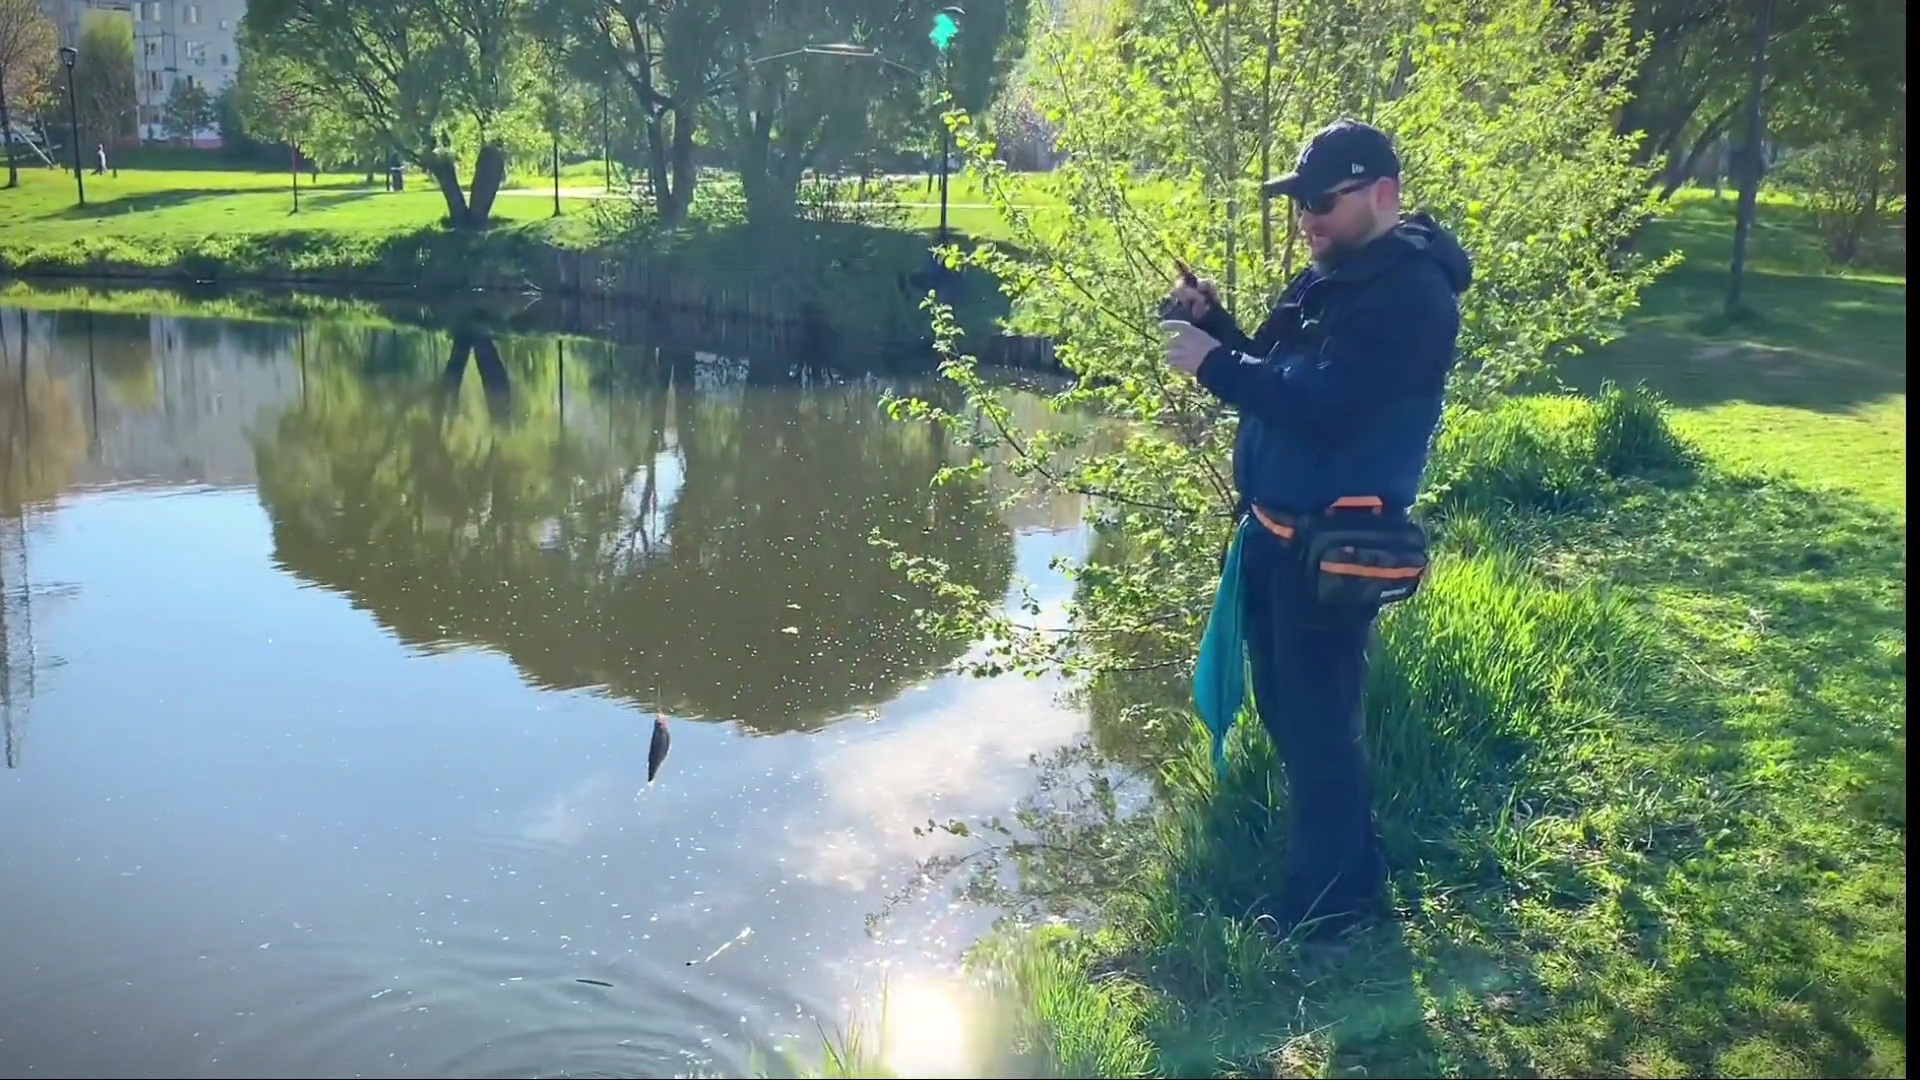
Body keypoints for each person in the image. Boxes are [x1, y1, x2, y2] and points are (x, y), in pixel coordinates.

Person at [1160, 118, 1473, 937]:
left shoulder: (1413, 296)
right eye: (1300, 202)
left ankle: (1333, 917)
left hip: (1330, 555)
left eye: (1322, 202)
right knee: (1291, 722)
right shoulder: (1334, 275)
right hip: (1274, 542)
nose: (1307, 218)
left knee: (1319, 734)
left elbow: (1326, 408)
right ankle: (1347, 874)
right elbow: (1279, 372)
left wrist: (1213, 365)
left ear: (1383, 195)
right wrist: (1218, 327)